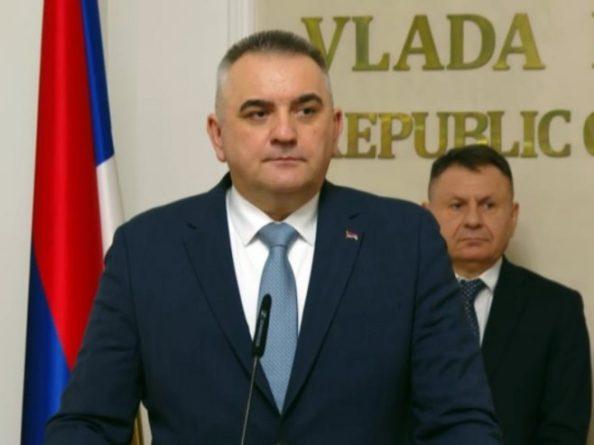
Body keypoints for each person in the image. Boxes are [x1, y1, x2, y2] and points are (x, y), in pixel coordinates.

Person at [45, 31, 502, 444]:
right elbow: (86, 425)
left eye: (306, 111)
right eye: (258, 113)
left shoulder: (405, 242)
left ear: (335, 129)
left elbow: (461, 422)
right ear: (217, 135)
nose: (285, 133)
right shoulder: (146, 251)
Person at [424, 144, 591, 445]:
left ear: (512, 217)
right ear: (427, 217)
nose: (473, 220)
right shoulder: (398, 304)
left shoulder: (557, 310)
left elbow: (564, 431)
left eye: (489, 205)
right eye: (457, 206)